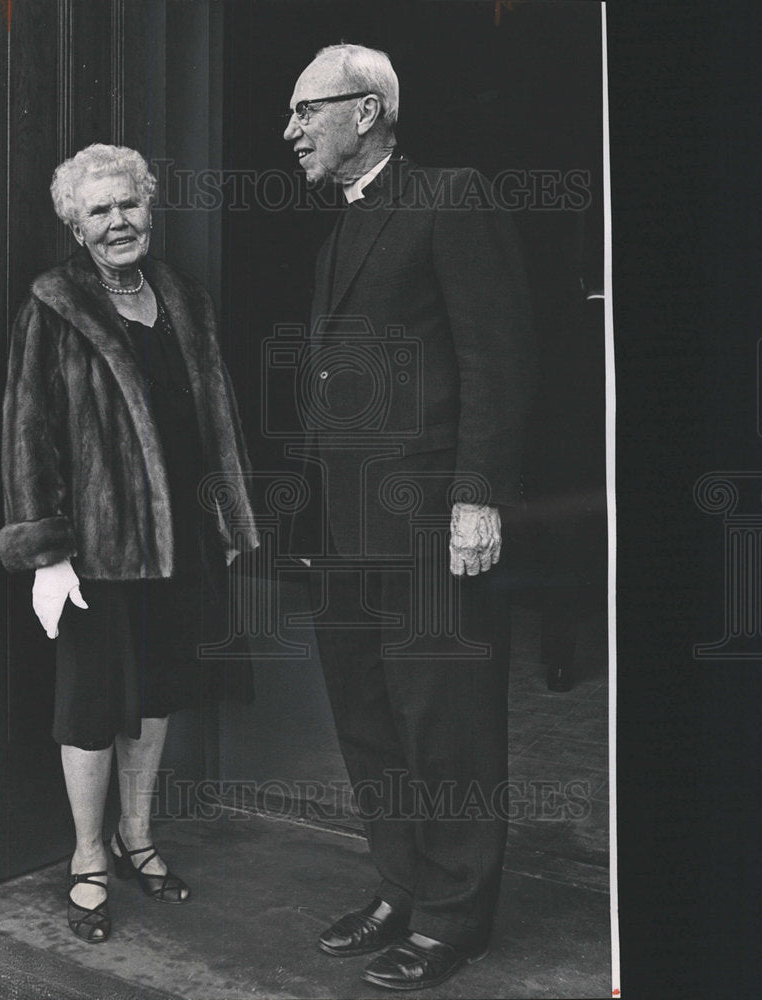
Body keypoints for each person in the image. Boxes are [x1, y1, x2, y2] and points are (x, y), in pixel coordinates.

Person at [282, 45, 535, 990]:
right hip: (347, 533)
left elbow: (497, 358)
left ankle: (454, 916)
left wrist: (478, 497)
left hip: (433, 519)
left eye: (306, 112)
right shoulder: (335, 229)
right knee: (372, 717)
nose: (291, 131)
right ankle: (401, 884)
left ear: (369, 111)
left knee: (447, 722)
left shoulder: (452, 196)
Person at [0, 143, 257, 944]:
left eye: (129, 204)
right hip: (97, 547)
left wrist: (229, 513)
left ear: (151, 208)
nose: (119, 222)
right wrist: (47, 550)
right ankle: (87, 858)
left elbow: (218, 415)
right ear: (76, 225)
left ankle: (137, 836)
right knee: (92, 702)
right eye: (99, 210)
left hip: (181, 535)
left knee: (158, 693)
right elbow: (27, 432)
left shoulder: (183, 296)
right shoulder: (52, 304)